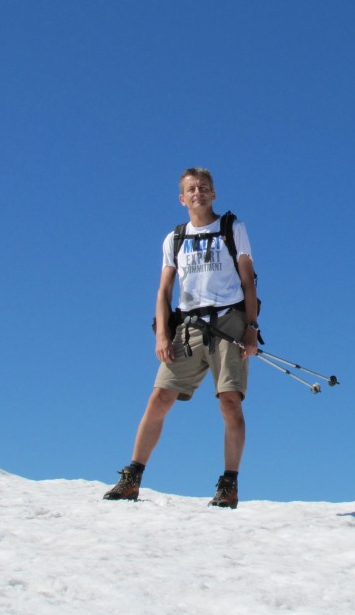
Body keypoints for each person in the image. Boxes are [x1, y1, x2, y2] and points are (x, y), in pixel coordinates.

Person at [103, 167, 259, 508]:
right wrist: (162, 332)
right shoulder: (174, 239)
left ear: (214, 193)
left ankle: (229, 484)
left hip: (228, 322)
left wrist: (252, 327)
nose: (198, 193)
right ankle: (132, 477)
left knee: (229, 402)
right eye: (191, 189)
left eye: (204, 187)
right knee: (159, 398)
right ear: (181, 198)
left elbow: (249, 281)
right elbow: (164, 290)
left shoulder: (233, 228)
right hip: (188, 327)